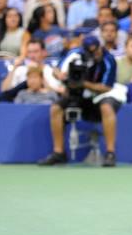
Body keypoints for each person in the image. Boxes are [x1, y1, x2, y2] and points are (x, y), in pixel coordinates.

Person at [39, 36, 119, 167]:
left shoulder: (108, 59)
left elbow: (106, 87)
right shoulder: (75, 54)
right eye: (90, 53)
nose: (94, 55)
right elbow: (56, 70)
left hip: (98, 95)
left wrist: (84, 83)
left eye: (96, 51)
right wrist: (60, 75)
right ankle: (59, 153)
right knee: (56, 108)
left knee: (107, 107)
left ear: (100, 47)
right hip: (77, 93)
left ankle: (110, 153)